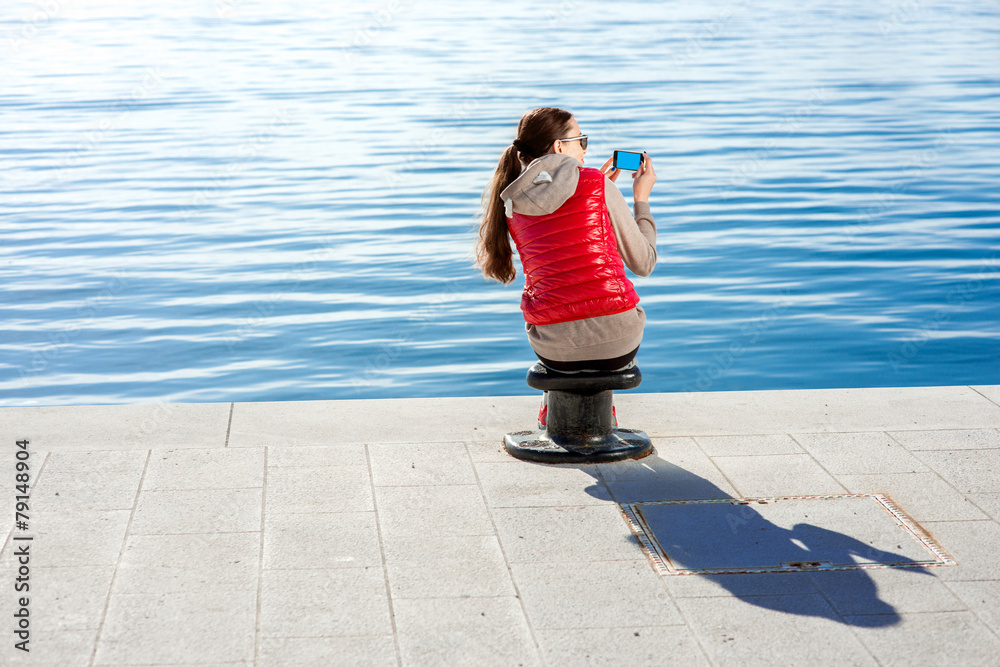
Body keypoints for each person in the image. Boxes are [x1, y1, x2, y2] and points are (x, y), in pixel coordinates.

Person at [476, 107, 657, 426]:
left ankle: (553, 407)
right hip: (620, 342)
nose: (585, 150)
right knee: (603, 309)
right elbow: (644, 263)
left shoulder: (510, 202)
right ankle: (600, 413)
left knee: (560, 307)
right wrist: (639, 199)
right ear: (559, 147)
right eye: (581, 141)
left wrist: (599, 190)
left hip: (552, 349)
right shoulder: (598, 185)